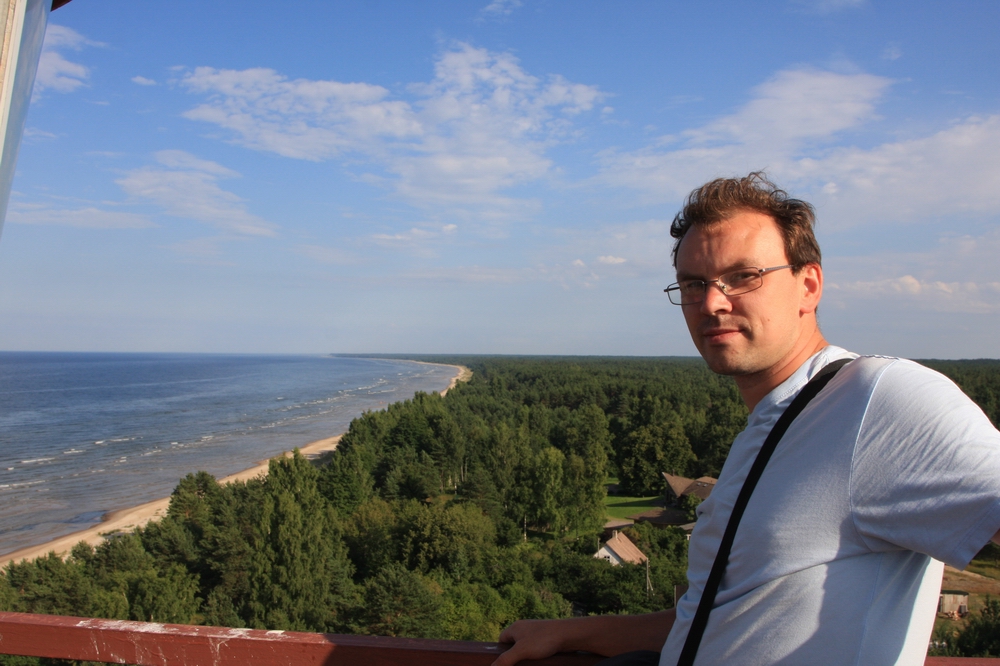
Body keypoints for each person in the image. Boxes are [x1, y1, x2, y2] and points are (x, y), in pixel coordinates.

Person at [493, 173, 1000, 666]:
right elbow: (722, 621)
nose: (712, 302)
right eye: (694, 283)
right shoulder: (776, 425)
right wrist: (571, 632)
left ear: (808, 285)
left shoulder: (877, 400)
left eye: (743, 276)